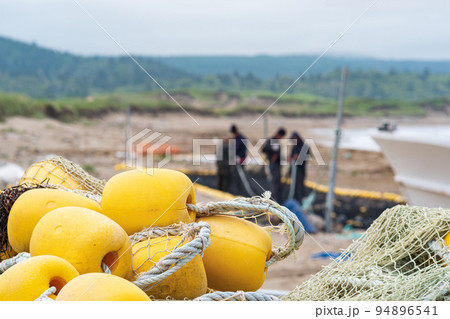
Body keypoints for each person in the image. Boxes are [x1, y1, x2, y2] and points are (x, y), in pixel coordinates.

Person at [262, 128, 286, 203]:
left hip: (277, 166)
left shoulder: (277, 143)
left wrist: (278, 156)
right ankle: (273, 200)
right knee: (274, 183)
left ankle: (278, 200)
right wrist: (272, 152)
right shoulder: (270, 141)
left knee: (278, 183)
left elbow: (279, 154)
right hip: (272, 165)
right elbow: (264, 149)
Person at [289, 131, 309, 203]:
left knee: (300, 186)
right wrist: (291, 159)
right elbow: (291, 156)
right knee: (294, 185)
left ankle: (301, 201)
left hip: (301, 170)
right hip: (294, 171)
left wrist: (299, 157)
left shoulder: (304, 146)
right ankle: (295, 199)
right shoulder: (294, 147)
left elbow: (308, 156)